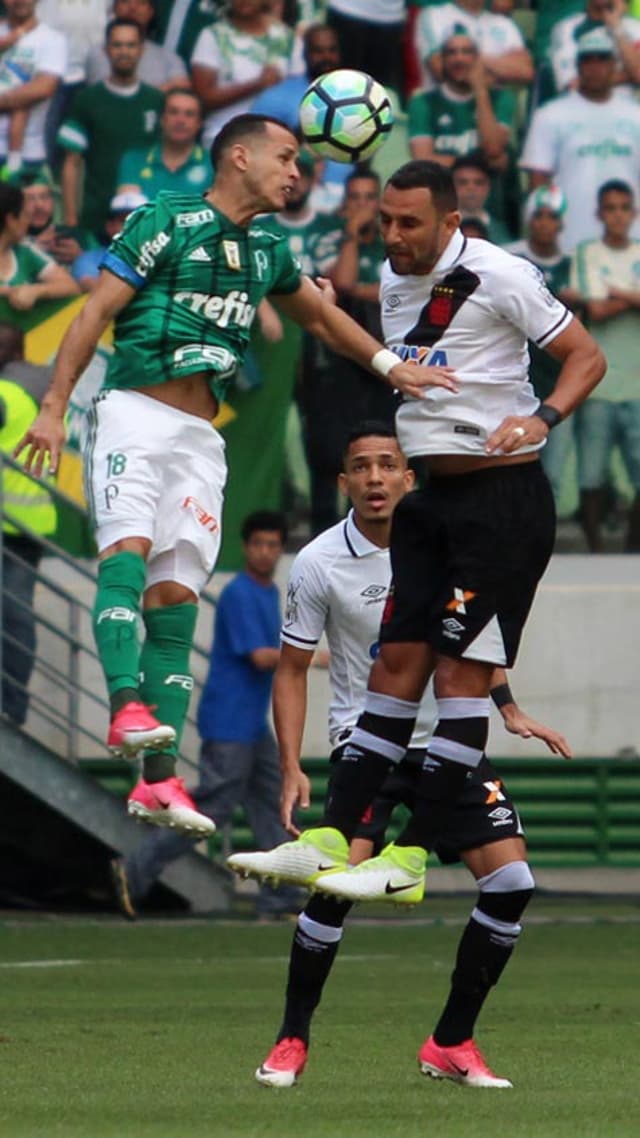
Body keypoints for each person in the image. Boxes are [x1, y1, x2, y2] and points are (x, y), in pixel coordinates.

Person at [16, 116, 454, 837]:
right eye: (285, 158)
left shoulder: (266, 251)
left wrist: (390, 365)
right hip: (133, 412)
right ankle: (124, 703)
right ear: (239, 157)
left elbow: (319, 316)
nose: (296, 173)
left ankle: (157, 780)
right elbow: (96, 308)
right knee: (125, 558)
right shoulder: (168, 218)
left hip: (200, 436)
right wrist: (56, 407)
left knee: (178, 595)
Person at [226, 157, 605, 904]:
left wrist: (542, 417)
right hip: (430, 502)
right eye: (386, 224)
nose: (393, 237)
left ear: (451, 222)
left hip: (504, 500)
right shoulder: (397, 280)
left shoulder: (502, 275)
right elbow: (395, 358)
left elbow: (585, 358)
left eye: (409, 224)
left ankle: (413, 852)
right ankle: (330, 837)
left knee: (459, 676)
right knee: (393, 667)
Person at [253, 420, 570, 1090]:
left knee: (512, 885)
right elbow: (289, 669)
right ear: (343, 482)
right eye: (360, 466)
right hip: (371, 744)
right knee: (338, 885)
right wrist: (290, 767)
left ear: (410, 476)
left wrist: (507, 708)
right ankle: (290, 1038)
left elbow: (469, 640)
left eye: (387, 465)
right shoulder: (317, 563)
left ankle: (451, 1042)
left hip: (450, 746)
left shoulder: (448, 543)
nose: (374, 478)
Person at [111, 510, 302, 920]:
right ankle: (134, 868)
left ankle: (280, 898)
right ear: (246, 547)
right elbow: (260, 656)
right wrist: (314, 656)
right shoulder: (238, 594)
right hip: (230, 722)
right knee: (210, 810)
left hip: (253, 724)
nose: (265, 552)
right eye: (258, 544)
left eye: (273, 545)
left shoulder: (269, 593)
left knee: (276, 806)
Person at [520, 24, 640, 252]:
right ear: (577, 66)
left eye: (602, 59)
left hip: (631, 239)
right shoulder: (550, 114)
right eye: (588, 60)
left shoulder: (636, 114)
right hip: (569, 236)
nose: (595, 66)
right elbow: (538, 182)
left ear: (614, 65)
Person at [570, 178, 640, 551]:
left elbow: (601, 299)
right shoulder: (588, 252)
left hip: (638, 383)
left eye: (624, 208)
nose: (617, 215)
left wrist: (617, 292)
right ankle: (595, 548)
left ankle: (632, 548)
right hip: (598, 382)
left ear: (634, 213)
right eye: (610, 208)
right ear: (599, 214)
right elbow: (595, 308)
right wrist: (634, 298)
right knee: (591, 474)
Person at [505, 185, 579, 507]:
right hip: (514, 383)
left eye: (552, 216)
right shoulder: (510, 260)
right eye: (539, 215)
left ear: (561, 224)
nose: (545, 223)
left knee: (553, 473)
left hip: (557, 384)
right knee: (510, 470)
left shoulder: (574, 264)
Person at [57, 18, 163, 238]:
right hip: (96, 216)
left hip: (147, 219)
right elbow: (72, 162)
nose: (124, 52)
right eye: (117, 45)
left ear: (142, 50)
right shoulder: (86, 99)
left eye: (131, 45)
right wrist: (70, 220)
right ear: (106, 50)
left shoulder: (157, 101)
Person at [0, 321, 56, 725]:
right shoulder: (49, 394)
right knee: (17, 616)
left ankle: (9, 705)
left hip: (6, 522)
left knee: (11, 617)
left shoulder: (4, 393)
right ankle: (12, 706)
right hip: (34, 523)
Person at [191, 0, 294, 150]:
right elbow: (204, 97)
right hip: (222, 135)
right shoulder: (213, 35)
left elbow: (298, 89)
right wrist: (257, 84)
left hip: (275, 140)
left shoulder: (285, 37)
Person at [408, 31, 512, 171]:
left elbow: (493, 148)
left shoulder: (501, 98)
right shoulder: (423, 102)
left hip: (486, 189)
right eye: (451, 53)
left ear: (478, 59)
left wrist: (480, 91)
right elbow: (422, 160)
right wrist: (477, 163)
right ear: (442, 60)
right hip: (442, 187)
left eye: (466, 52)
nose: (459, 59)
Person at [0, 0, 67, 173]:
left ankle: (14, 157)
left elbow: (44, 88)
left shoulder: (53, 40)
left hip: (29, 152)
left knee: (21, 108)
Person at [415, 0, 534, 92]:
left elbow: (525, 71)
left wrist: (474, 60)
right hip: (446, 112)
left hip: (495, 114)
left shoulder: (504, 24)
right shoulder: (433, 16)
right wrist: (500, 72)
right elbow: (441, 69)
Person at [116, 89, 213, 201]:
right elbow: (128, 214)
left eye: (189, 114)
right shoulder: (134, 160)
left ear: (199, 123)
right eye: (173, 112)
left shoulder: (214, 164)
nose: (180, 120)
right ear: (162, 119)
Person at [0, 181, 79, 313]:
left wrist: (36, 291)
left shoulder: (25, 251)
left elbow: (71, 287)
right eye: (25, 215)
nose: (28, 222)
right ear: (11, 220)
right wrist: (10, 292)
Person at [85, 0, 190, 92]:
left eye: (141, 2)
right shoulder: (99, 53)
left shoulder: (170, 59)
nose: (132, 8)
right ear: (114, 8)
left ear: (151, 12)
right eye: (125, 1)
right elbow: (111, 95)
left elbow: (182, 87)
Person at [549, 0, 640, 99]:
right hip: (579, 108)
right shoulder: (566, 28)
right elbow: (573, 85)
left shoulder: (635, 28)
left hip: (625, 108)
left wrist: (615, 27)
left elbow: (638, 75)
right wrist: (627, 76)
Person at [69, 190, 149, 293]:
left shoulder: (163, 261)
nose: (131, 227)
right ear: (109, 227)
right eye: (123, 221)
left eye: (137, 220)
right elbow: (92, 286)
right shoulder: (89, 260)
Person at [450, 153, 510, 245]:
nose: (471, 188)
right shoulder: (443, 228)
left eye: (479, 183)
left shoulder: (501, 232)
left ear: (488, 187)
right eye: (462, 182)